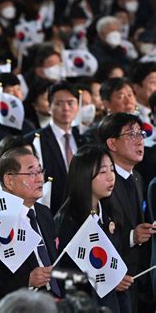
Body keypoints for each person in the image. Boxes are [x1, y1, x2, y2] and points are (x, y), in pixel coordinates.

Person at [0, 147, 61, 312]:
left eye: (40, 171)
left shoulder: (44, 213)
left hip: (51, 302)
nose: (39, 179)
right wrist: (26, 280)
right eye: (31, 173)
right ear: (9, 181)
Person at [54, 144, 132, 313]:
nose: (111, 177)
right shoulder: (67, 221)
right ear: (84, 176)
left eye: (112, 169)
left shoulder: (109, 212)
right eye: (103, 172)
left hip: (114, 303)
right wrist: (108, 280)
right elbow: (60, 274)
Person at [98, 112, 155, 312]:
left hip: (142, 278)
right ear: (112, 144)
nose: (139, 140)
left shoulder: (138, 177)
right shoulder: (102, 182)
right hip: (117, 281)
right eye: (132, 135)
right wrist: (132, 236)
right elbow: (96, 235)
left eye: (141, 134)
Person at [25, 81, 86, 214]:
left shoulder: (84, 139)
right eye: (58, 103)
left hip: (82, 210)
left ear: (78, 106)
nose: (65, 108)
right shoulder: (35, 140)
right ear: (49, 107)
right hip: (51, 210)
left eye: (70, 103)